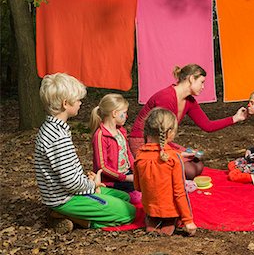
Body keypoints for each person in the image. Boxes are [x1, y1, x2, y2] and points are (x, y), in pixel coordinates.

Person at [34, 73, 135, 233]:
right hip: (67, 199)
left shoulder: (56, 128)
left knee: (125, 197)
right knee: (129, 213)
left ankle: (69, 213)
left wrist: (87, 180)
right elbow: (69, 183)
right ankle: (74, 218)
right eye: (78, 100)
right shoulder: (57, 137)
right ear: (66, 103)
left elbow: (67, 172)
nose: (81, 103)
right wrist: (92, 185)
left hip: (74, 190)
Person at [129, 64, 247, 179]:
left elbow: (207, 126)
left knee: (197, 165)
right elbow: (157, 135)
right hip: (146, 142)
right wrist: (178, 154)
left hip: (163, 141)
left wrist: (235, 118)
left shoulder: (189, 101)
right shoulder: (166, 98)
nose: (203, 87)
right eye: (202, 82)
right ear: (191, 79)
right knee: (189, 170)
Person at [134, 107, 197, 236]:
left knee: (153, 217)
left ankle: (153, 220)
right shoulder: (174, 157)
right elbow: (180, 192)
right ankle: (169, 221)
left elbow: (138, 187)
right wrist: (188, 221)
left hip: (150, 208)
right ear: (169, 133)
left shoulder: (139, 154)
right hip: (169, 210)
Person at [90, 93, 141, 203]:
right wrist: (126, 178)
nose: (126, 116)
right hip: (112, 181)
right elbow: (102, 166)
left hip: (126, 175)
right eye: (124, 113)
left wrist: (136, 170)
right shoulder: (100, 136)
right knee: (137, 197)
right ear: (114, 113)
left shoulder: (121, 131)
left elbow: (128, 153)